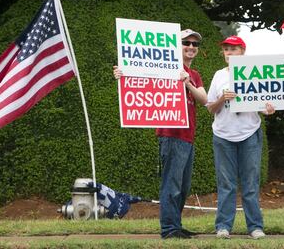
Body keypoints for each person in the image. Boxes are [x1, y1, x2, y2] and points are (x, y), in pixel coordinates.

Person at [113, 28, 208, 239]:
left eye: (195, 44)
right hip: (171, 134)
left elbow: (204, 98)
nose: (191, 47)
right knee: (171, 184)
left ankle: (175, 224)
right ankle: (169, 229)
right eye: (187, 43)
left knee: (183, 187)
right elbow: (139, 77)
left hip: (188, 136)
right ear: (176, 46)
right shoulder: (164, 67)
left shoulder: (194, 75)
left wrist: (187, 83)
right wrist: (122, 73)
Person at [206, 35, 275, 239]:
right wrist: (222, 98)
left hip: (249, 133)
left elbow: (265, 105)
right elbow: (211, 108)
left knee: (250, 183)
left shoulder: (256, 73)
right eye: (226, 49)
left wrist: (269, 109)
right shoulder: (219, 75)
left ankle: (255, 227)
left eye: (234, 49)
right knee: (226, 183)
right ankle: (223, 227)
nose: (229, 52)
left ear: (243, 52)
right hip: (223, 135)